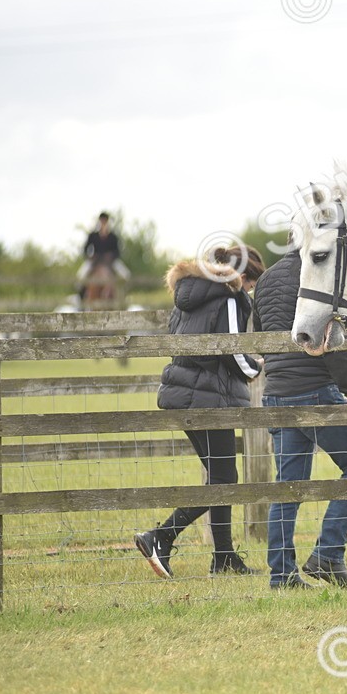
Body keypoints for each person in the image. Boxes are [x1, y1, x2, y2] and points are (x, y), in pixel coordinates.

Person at [134, 245, 265, 579]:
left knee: (219, 476)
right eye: (251, 283)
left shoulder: (187, 294)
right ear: (242, 276)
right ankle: (161, 536)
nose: (250, 289)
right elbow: (231, 348)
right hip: (211, 397)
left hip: (181, 392)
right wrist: (255, 368)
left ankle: (223, 558)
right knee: (224, 479)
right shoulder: (231, 297)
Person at [251, 241, 347, 590]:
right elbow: (331, 338)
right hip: (316, 391)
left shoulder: (266, 279)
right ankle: (329, 555)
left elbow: (258, 338)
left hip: (276, 393)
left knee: (287, 488)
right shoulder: (320, 274)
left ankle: (282, 575)